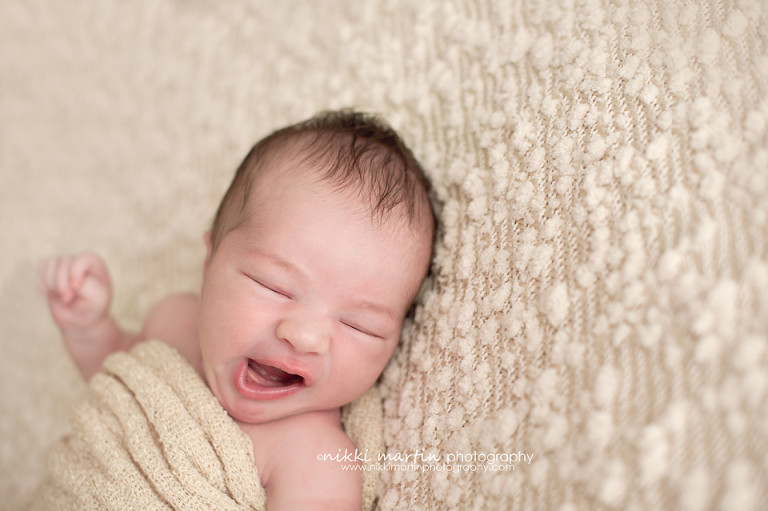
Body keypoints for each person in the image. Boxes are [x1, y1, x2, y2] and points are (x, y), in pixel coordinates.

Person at [38, 111, 435, 510]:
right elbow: (117, 388)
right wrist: (88, 327)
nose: (305, 335)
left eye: (359, 325)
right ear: (209, 261)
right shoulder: (173, 321)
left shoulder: (314, 458)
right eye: (273, 285)